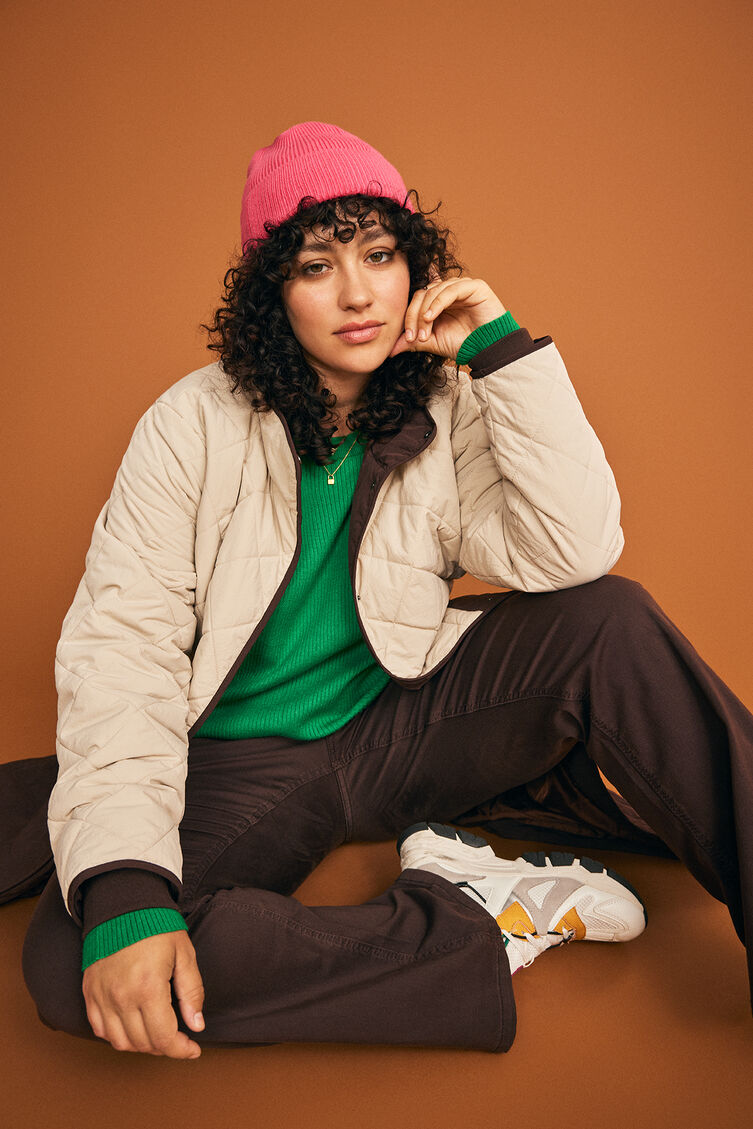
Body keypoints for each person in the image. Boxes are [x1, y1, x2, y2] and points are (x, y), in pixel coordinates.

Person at [3, 121, 752, 1060]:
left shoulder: (449, 397)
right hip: (244, 762)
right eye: (316, 266)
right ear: (272, 292)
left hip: (408, 709)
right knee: (82, 961)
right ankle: (476, 919)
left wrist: (498, 350)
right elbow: (124, 648)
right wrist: (124, 893)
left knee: (612, 618)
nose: (357, 293)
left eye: (379, 254)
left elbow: (573, 550)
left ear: (414, 267)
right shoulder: (190, 425)